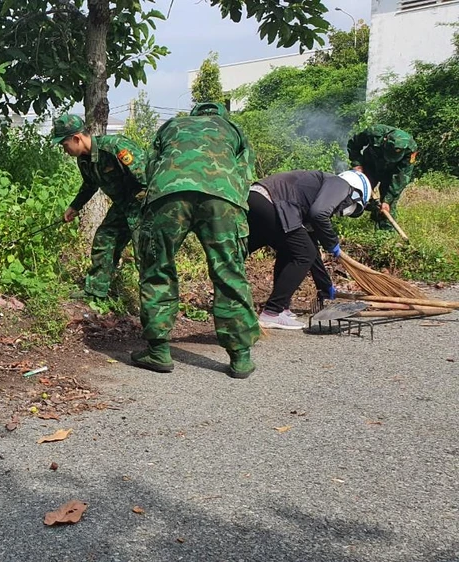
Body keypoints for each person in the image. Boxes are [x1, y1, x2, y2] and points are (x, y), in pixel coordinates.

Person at [132, 102, 260, 379]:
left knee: (158, 268)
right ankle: (240, 357)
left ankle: (158, 351)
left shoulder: (172, 125)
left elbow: (149, 165)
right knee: (228, 271)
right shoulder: (233, 128)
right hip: (222, 199)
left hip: (167, 195)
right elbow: (245, 173)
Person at [246, 170, 373, 330]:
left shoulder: (315, 194)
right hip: (273, 202)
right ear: (355, 192)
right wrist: (332, 243)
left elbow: (311, 247)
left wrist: (324, 285)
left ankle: (281, 308)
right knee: (303, 254)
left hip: (256, 198)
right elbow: (319, 214)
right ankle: (272, 313)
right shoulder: (340, 184)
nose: (344, 212)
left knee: (293, 250)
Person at [51, 114, 147, 300]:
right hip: (123, 206)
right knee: (104, 239)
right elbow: (90, 185)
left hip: (143, 205)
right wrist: (75, 206)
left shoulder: (114, 147)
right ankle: (96, 293)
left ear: (77, 138)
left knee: (145, 253)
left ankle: (154, 303)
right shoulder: (84, 160)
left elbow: (146, 178)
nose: (65, 150)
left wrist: (144, 212)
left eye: (64, 145)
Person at [346, 124, 417, 231]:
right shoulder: (374, 132)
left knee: (387, 206)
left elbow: (402, 176)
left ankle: (385, 235)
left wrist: (387, 201)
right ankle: (334, 218)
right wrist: (357, 164)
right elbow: (353, 144)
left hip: (391, 173)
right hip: (370, 166)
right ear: (385, 141)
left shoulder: (410, 149)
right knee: (355, 193)